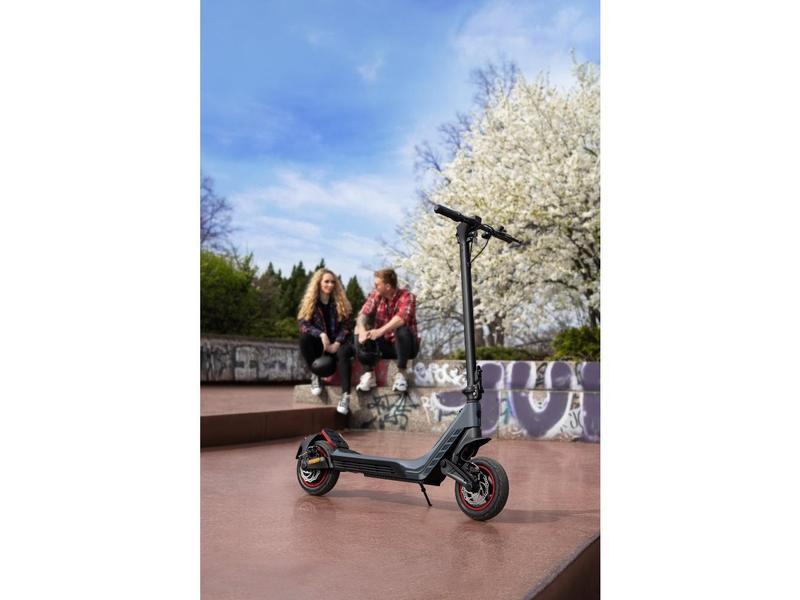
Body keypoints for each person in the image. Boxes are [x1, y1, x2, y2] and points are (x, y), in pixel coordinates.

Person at [297, 268, 355, 415]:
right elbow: (304, 325)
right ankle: (315, 374)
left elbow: (347, 326)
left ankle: (345, 396)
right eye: (326, 281)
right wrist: (321, 334)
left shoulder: (341, 303)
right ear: (318, 283)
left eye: (333, 282)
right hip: (321, 346)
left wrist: (337, 343)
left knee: (344, 353)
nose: (330, 285)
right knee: (304, 338)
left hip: (338, 345)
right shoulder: (311, 303)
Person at [354, 268, 420, 393]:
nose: (375, 287)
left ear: (388, 286)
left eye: (377, 285)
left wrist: (380, 331)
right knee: (358, 328)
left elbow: (401, 318)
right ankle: (369, 374)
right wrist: (362, 331)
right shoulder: (376, 295)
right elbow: (362, 314)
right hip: (385, 346)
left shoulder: (408, 296)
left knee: (401, 329)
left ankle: (401, 374)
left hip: (406, 347)